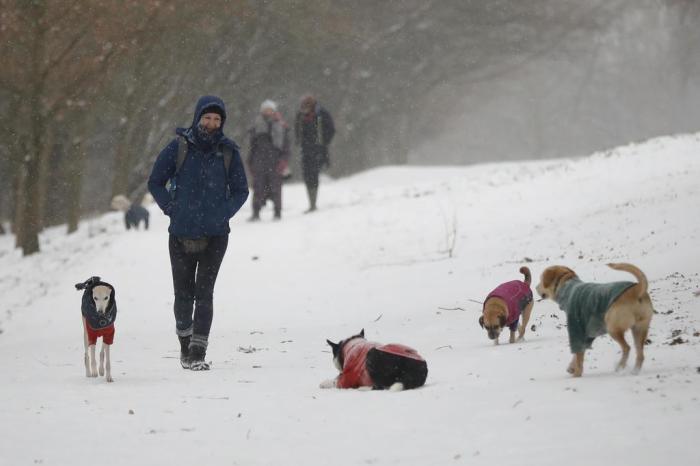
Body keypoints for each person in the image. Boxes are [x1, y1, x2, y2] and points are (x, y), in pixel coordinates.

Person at [148, 95, 248, 371]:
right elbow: (155, 181)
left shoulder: (229, 152)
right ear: (197, 118)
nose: (212, 124)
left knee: (205, 293)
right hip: (180, 233)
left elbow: (242, 190)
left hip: (216, 234)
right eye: (207, 118)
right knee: (183, 294)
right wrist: (171, 207)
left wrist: (223, 213)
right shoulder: (178, 147)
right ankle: (185, 343)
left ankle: (198, 351)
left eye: (217, 119)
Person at [247, 100, 290, 221]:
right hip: (258, 161)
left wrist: (284, 161)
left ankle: (277, 212)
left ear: (274, 111)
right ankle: (256, 212)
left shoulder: (282, 126)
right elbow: (252, 146)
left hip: (275, 162)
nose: (268, 111)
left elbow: (286, 147)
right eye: (265, 109)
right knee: (258, 188)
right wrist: (250, 161)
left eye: (270, 109)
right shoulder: (255, 125)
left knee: (276, 188)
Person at [294, 94, 335, 212]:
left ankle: (313, 203)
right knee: (307, 175)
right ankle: (312, 202)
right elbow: (297, 129)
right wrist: (299, 141)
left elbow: (331, 129)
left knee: (314, 174)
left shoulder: (322, 113)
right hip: (306, 149)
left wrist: (324, 142)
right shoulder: (300, 115)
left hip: (318, 149)